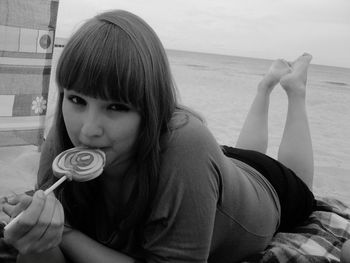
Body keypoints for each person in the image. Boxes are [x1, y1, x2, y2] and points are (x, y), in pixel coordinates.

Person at [1, 9, 317, 263]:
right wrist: (37, 239)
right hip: (215, 168)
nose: (87, 129)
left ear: (150, 110)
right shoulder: (63, 143)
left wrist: (67, 233)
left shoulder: (187, 146)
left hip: (268, 187)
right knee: (228, 157)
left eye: (116, 106)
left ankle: (294, 90)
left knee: (301, 186)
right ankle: (264, 88)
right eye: (77, 100)